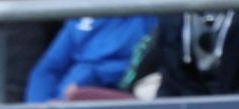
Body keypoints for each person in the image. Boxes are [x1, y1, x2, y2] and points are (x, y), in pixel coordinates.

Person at [25, 15, 155, 102]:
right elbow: (49, 68)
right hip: (61, 107)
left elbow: (132, 66)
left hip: (110, 104)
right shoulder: (85, 13)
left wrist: (85, 84)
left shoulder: (151, 14)